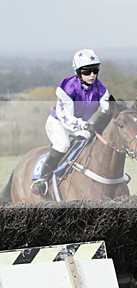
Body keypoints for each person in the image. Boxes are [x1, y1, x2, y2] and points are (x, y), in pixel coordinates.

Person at [31, 48, 110, 196]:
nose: (92, 75)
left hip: (79, 126)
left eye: (95, 70)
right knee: (63, 144)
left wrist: (117, 109)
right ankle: (42, 180)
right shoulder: (67, 87)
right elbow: (65, 117)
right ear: (78, 72)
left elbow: (108, 108)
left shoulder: (101, 89)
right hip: (58, 123)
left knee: (90, 141)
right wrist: (85, 125)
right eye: (87, 71)